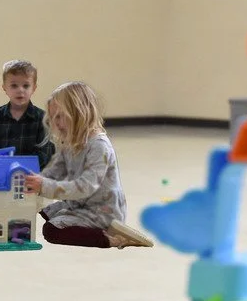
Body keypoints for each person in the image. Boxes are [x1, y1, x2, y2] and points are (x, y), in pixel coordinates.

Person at [23, 81, 154, 249]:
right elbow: (56, 168)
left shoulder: (99, 146)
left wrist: (45, 186)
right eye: (52, 117)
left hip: (102, 210)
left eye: (60, 117)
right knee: (46, 210)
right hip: (80, 203)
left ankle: (109, 238)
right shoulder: (73, 142)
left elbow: (85, 186)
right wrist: (37, 182)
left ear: (79, 113)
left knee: (51, 230)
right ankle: (92, 228)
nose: (55, 124)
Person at [0, 59, 55, 169]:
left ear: (34, 88)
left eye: (26, 86)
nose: (20, 90)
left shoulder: (43, 118)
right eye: (14, 86)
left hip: (34, 175)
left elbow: (45, 153)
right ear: (4, 88)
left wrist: (21, 168)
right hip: (3, 172)